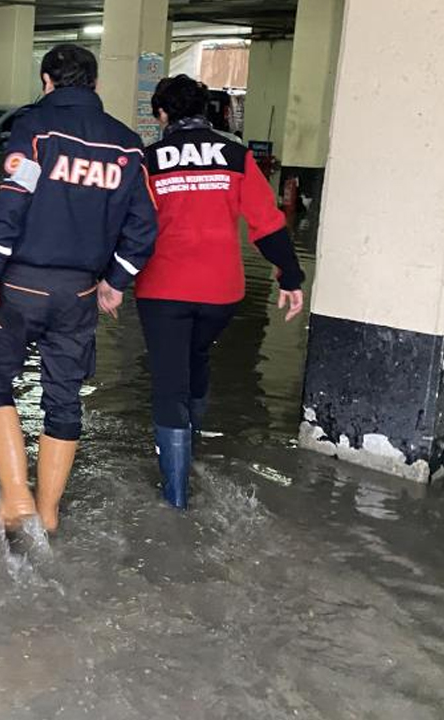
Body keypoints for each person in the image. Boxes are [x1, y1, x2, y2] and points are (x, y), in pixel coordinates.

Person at [0, 44, 157, 538]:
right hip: (79, 293)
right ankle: (49, 515)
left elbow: (12, 200)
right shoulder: (127, 144)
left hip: (21, 283)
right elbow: (144, 228)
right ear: (95, 85)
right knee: (64, 398)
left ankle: (16, 499)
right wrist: (116, 283)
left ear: (46, 81)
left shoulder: (36, 128)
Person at [137, 75, 306, 509]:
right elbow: (266, 223)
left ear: (161, 114)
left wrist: (107, 278)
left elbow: (130, 227)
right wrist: (289, 276)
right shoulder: (235, 154)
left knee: (168, 383)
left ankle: (175, 498)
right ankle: (191, 454)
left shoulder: (149, 160)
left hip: (163, 288)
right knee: (196, 357)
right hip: (220, 292)